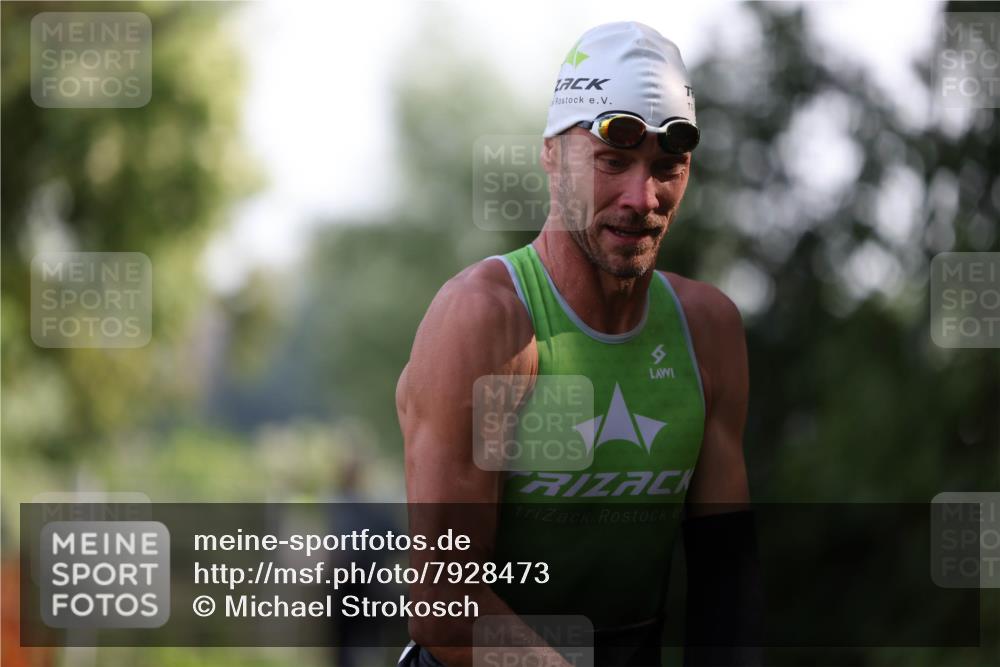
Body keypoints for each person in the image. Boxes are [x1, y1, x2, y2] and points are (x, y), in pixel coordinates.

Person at [396, 21, 763, 667]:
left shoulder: (708, 329)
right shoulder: (486, 320)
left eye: (666, 167)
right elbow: (443, 605)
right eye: (612, 161)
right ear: (550, 154)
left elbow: (724, 595)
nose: (640, 198)